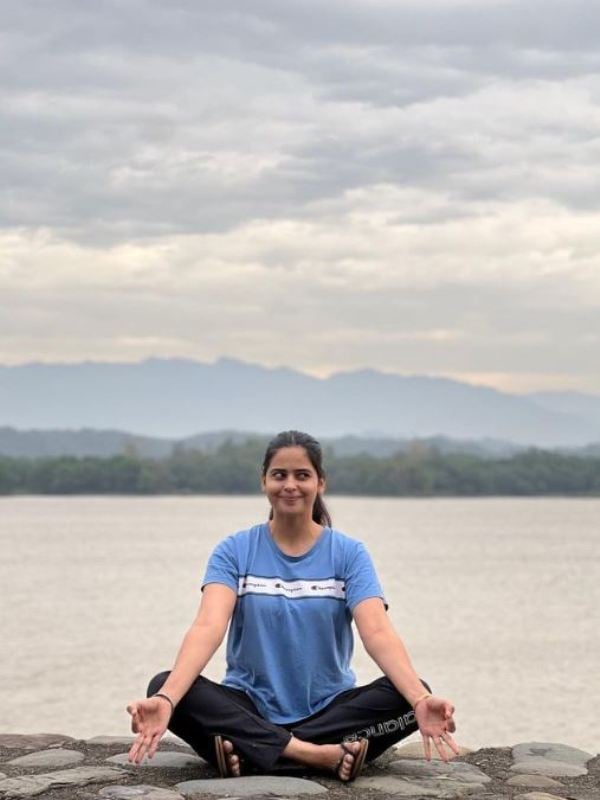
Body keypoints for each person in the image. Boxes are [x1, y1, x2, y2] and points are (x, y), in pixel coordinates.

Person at [127, 430, 458, 781]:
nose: (290, 485)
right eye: (279, 475)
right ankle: (314, 755)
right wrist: (166, 699)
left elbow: (376, 631)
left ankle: (254, 752)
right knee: (165, 686)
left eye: (302, 475)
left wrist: (420, 700)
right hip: (249, 706)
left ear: (320, 482)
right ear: (264, 481)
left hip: (330, 710)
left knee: (410, 695)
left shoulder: (349, 553)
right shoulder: (235, 550)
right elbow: (208, 626)